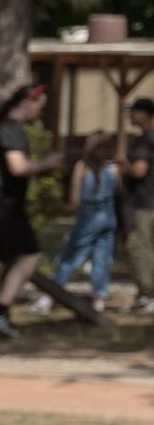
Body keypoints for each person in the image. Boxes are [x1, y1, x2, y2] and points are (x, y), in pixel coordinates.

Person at [0, 84, 64, 339]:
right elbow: (18, 167)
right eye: (40, 106)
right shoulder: (12, 129)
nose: (40, 112)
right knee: (30, 256)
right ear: (26, 103)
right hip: (4, 204)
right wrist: (47, 163)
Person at [32, 133, 121, 314]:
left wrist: (72, 211)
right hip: (108, 215)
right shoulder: (113, 168)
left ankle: (52, 293)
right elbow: (118, 191)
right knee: (102, 257)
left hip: (89, 214)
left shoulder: (82, 166)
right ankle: (99, 298)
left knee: (72, 256)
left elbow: (75, 199)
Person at [122, 98, 154, 314]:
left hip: (145, 202)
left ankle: (148, 294)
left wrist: (123, 164)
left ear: (144, 114)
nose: (130, 116)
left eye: (133, 112)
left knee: (139, 247)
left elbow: (138, 171)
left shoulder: (145, 140)